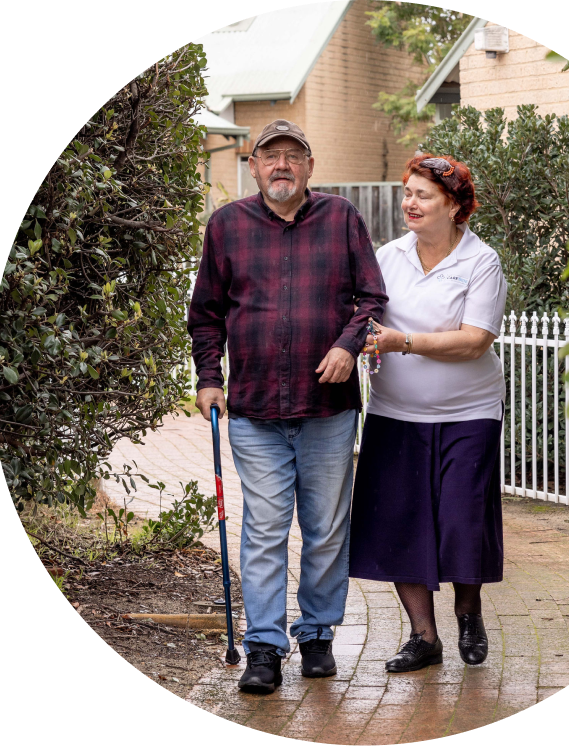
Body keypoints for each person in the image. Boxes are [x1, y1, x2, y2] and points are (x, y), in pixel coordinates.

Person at [188, 119, 387, 693]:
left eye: (292, 156)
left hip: (328, 411)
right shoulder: (226, 226)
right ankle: (265, 648)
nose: (281, 165)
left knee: (325, 528)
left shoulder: (342, 218)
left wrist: (349, 346)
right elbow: (206, 315)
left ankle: (318, 634)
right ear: (252, 167)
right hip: (253, 411)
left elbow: (372, 298)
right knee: (266, 530)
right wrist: (208, 379)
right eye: (269, 156)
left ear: (309, 167)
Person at [349, 154, 508, 672]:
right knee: (399, 522)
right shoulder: (388, 256)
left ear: (456, 207)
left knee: (462, 518)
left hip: (470, 413)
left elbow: (475, 341)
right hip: (396, 413)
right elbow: (366, 313)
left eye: (424, 195)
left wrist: (402, 342)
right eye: (408, 192)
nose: (410, 203)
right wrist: (368, 339)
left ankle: (468, 609)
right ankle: (424, 638)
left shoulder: (480, 261)